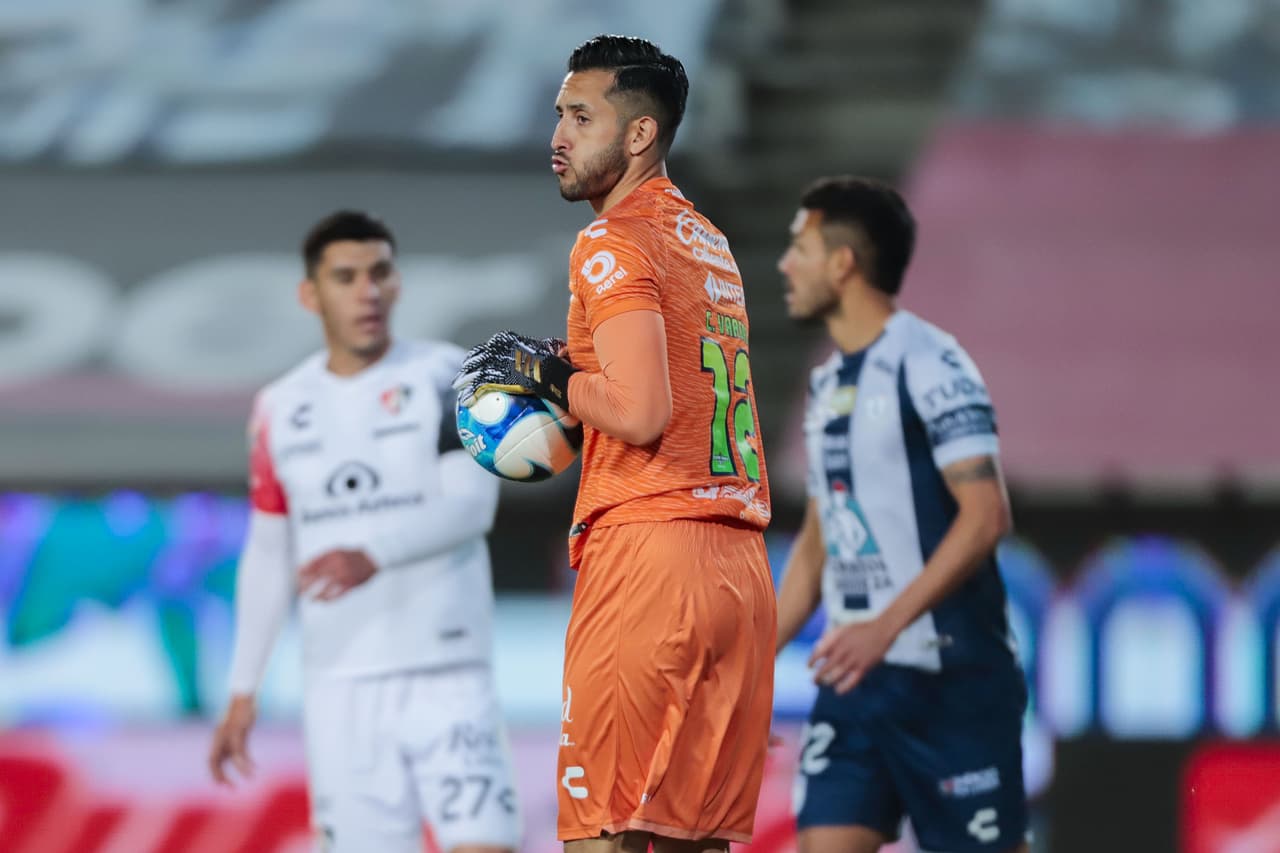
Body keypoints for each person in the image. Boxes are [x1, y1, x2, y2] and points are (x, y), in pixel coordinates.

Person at [453, 34, 776, 853]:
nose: (557, 135)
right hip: (738, 571)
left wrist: (544, 374)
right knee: (692, 842)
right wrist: (572, 368)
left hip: (649, 559)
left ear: (639, 135)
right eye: (558, 114)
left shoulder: (610, 241)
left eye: (580, 116)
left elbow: (637, 414)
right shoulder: (709, 243)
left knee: (603, 836)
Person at [208, 210, 521, 853]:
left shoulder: (450, 377)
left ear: (399, 283)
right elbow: (269, 551)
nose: (367, 292)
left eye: (380, 273)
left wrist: (371, 553)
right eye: (345, 277)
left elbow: (471, 508)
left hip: (448, 669)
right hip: (339, 683)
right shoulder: (278, 407)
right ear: (310, 295)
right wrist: (243, 691)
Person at [774, 176, 1029, 853]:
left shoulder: (932, 361)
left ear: (843, 262)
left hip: (954, 681)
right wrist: (745, 677)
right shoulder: (826, 385)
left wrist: (885, 625)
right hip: (858, 679)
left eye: (799, 247)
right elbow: (814, 547)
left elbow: (985, 514)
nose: (784, 265)